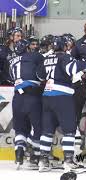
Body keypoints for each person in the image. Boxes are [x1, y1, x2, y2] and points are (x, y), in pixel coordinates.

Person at [37, 36, 86, 172]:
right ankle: (68, 161)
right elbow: (72, 69)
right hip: (62, 96)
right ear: (64, 47)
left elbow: (39, 75)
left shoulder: (47, 58)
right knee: (69, 130)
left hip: (47, 97)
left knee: (47, 130)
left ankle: (43, 161)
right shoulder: (64, 57)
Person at [9, 39, 44, 169]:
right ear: (27, 48)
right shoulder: (35, 56)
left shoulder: (11, 62)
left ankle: (19, 154)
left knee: (20, 129)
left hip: (17, 97)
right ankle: (35, 156)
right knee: (38, 127)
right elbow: (42, 75)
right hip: (32, 95)